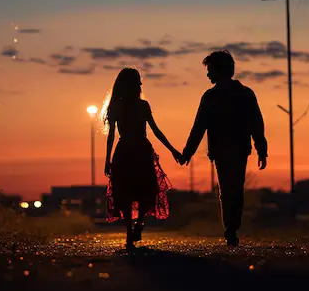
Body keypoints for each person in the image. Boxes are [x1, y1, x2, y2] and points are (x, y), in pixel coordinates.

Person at [179, 50, 268, 246]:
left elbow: (199, 126)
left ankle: (230, 228)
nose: (208, 75)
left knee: (228, 190)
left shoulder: (213, 97)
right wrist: (261, 149)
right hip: (235, 149)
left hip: (226, 149)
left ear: (219, 71)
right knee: (234, 189)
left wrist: (188, 152)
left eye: (210, 70)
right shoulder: (244, 94)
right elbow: (256, 123)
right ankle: (231, 228)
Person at [103, 68, 182, 250]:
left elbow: (155, 130)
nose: (140, 85)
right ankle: (133, 230)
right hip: (134, 151)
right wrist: (107, 160)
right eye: (137, 82)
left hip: (132, 151)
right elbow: (111, 135)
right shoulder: (128, 106)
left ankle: (136, 227)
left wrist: (172, 150)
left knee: (141, 190)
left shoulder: (139, 106)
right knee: (131, 191)